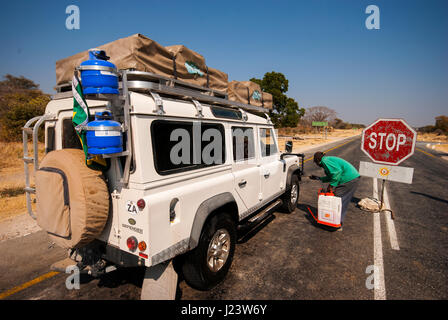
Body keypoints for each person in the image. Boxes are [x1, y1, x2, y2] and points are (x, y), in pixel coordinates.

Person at [309, 151, 360, 230]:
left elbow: (337, 172)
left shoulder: (325, 161)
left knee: (337, 200)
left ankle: (335, 224)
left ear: (318, 161)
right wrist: (319, 178)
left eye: (316, 162)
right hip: (353, 178)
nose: (317, 165)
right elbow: (331, 176)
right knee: (342, 200)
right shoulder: (327, 160)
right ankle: (336, 221)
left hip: (349, 179)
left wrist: (331, 185)